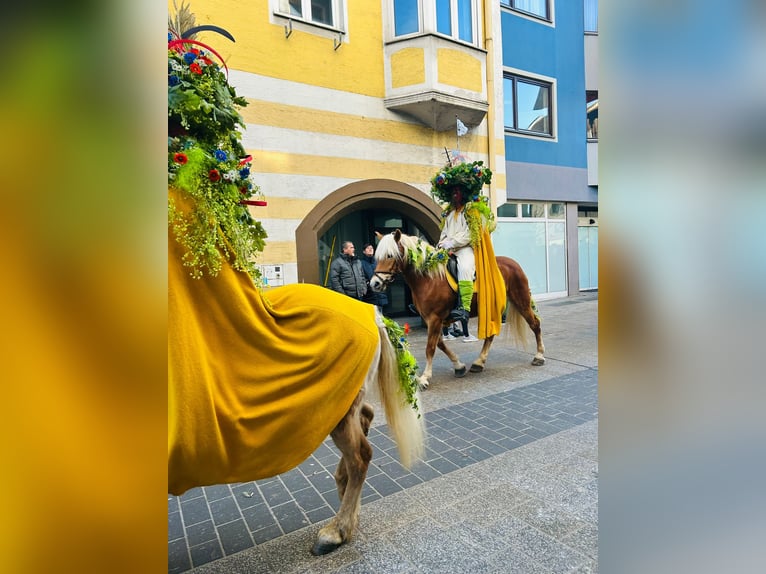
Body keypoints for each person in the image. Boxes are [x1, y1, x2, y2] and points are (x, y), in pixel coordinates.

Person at [430, 160, 493, 322]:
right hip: (448, 249)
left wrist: (451, 243)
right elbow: (444, 232)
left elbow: (469, 235)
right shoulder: (449, 214)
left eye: (457, 191)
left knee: (464, 268)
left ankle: (464, 307)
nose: (454, 194)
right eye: (453, 191)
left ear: (463, 193)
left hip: (465, 249)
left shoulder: (470, 211)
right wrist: (441, 244)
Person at [361, 243, 389, 311]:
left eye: (372, 248)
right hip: (369, 295)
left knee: (381, 316)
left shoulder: (378, 262)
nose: (370, 249)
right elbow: (361, 277)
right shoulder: (360, 263)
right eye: (368, 248)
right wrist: (368, 285)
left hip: (380, 294)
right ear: (364, 251)